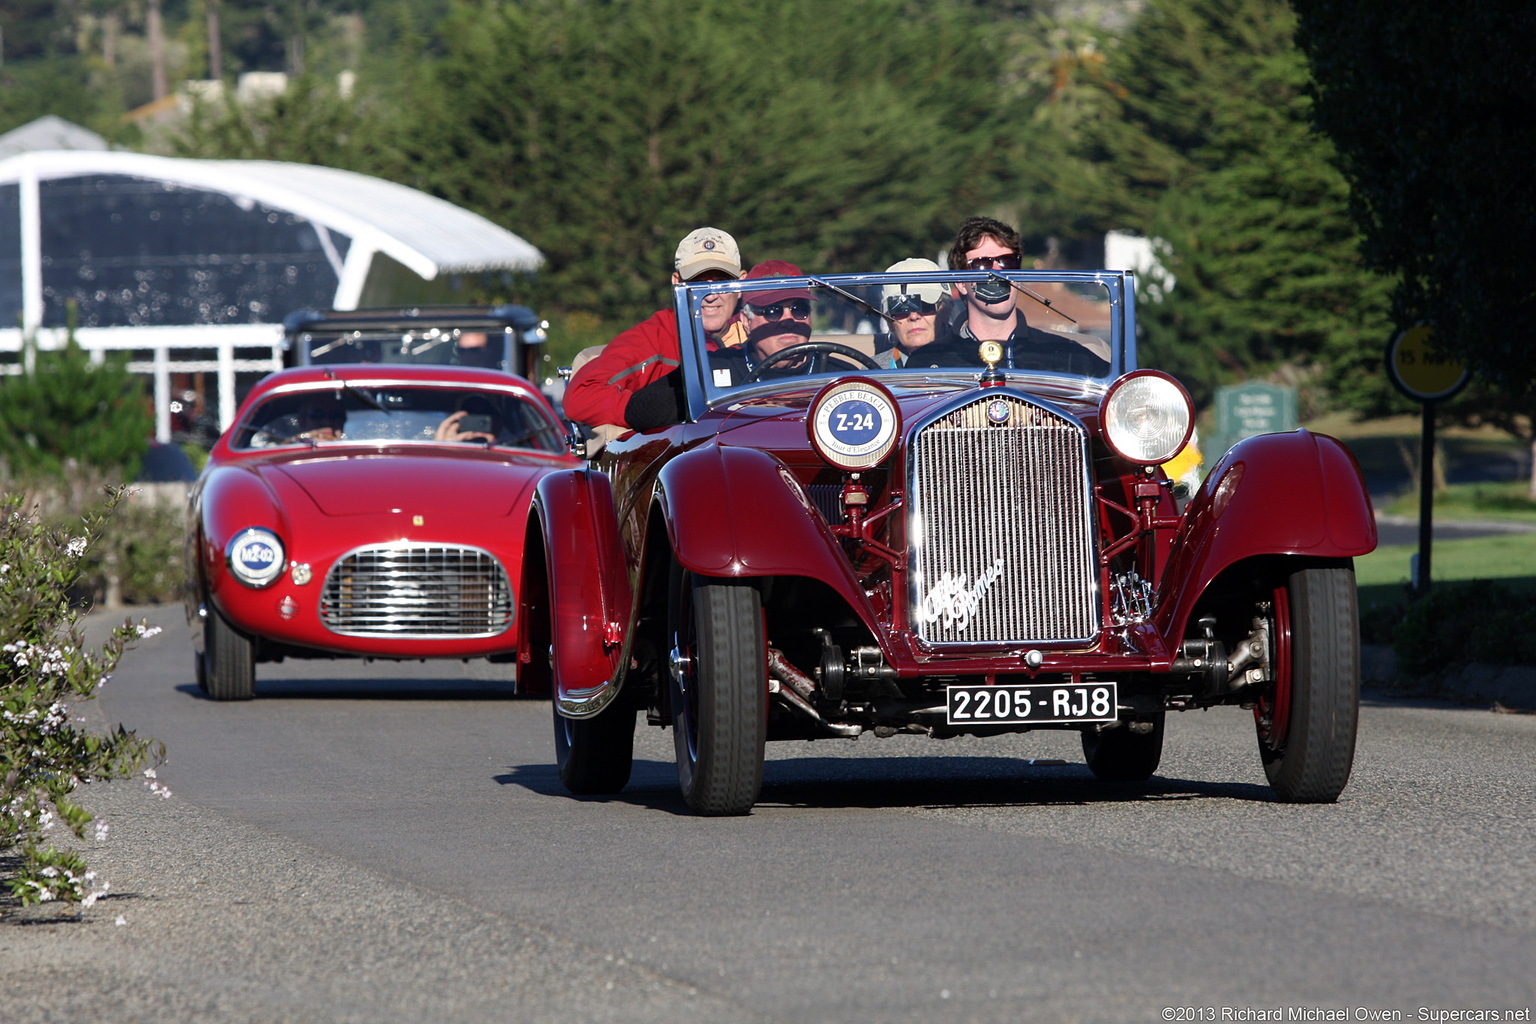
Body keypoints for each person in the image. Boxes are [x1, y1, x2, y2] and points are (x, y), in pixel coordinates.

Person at [563, 227, 744, 431]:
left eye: (722, 282)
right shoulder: (655, 337)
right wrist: (651, 410)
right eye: (698, 283)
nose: (711, 295)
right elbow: (580, 396)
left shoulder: (763, 333)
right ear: (677, 284)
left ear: (741, 284)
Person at [919, 216, 1109, 376]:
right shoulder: (928, 362)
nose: (996, 273)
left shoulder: (1070, 357)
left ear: (1017, 275)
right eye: (982, 264)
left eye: (1007, 262)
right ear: (961, 283)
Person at [706, 261, 819, 387]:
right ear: (746, 321)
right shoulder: (710, 370)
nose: (788, 320)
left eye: (799, 309)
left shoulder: (837, 376)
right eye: (772, 311)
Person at [878, 257, 945, 367]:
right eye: (900, 309)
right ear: (889, 321)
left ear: (944, 310)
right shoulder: (872, 372)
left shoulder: (972, 361)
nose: (913, 316)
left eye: (924, 305)